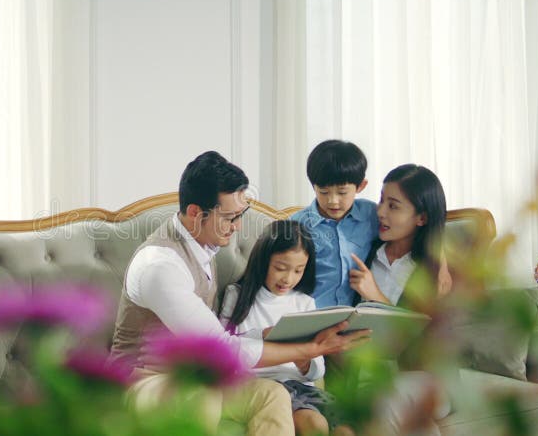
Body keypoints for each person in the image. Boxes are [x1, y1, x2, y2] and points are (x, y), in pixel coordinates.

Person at [110, 151, 370, 436]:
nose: (238, 226)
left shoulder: (204, 246)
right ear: (196, 213)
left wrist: (265, 335)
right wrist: (312, 349)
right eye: (231, 217)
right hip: (144, 380)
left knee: (272, 394)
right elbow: (222, 350)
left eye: (240, 215)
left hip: (198, 378)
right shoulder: (160, 265)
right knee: (201, 398)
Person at [219, 219, 354, 436]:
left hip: (301, 388)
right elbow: (223, 351)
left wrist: (304, 362)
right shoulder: (237, 296)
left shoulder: (304, 303)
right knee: (314, 424)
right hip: (263, 386)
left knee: (347, 430)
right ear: (263, 261)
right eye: (280, 268)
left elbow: (316, 373)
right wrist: (262, 336)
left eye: (298, 271)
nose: (288, 279)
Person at [347, 164, 452, 435]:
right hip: (372, 377)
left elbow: (410, 341)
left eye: (394, 206)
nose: (380, 211)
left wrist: (374, 295)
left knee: (388, 398)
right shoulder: (370, 251)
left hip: (423, 378)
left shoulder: (430, 273)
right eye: (382, 200)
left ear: (421, 218)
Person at [291, 140, 451, 309]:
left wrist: (440, 262)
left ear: (361, 186)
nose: (333, 201)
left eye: (342, 192)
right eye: (323, 192)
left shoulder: (368, 215)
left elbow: (432, 227)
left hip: (353, 321)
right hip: (311, 313)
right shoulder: (297, 225)